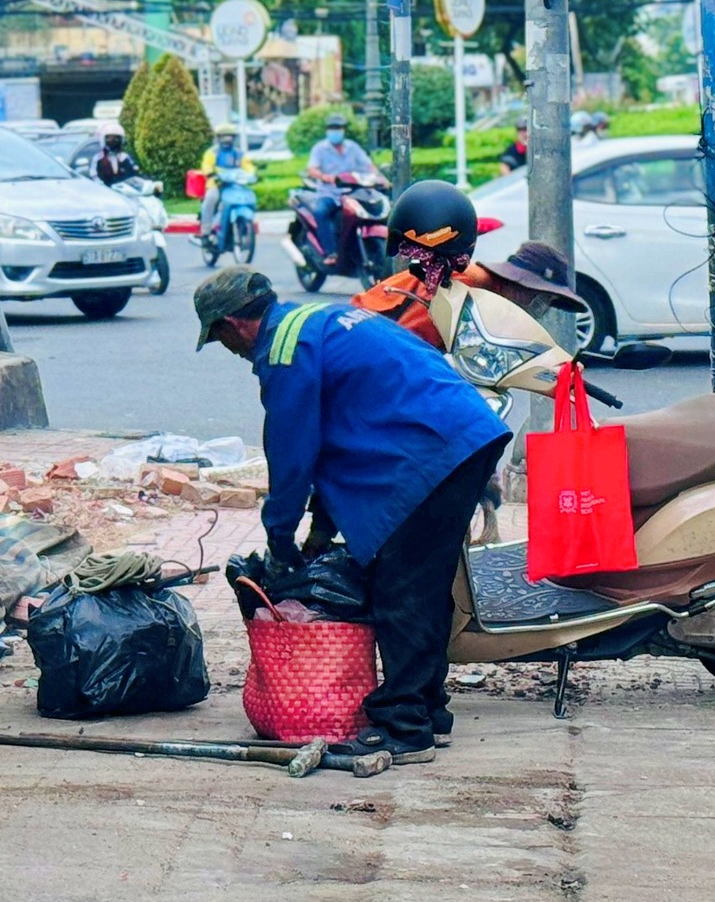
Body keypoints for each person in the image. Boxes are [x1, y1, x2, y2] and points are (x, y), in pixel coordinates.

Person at [192, 261, 511, 764]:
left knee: (399, 588)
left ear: (231, 325)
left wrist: (280, 541)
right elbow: (333, 442)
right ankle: (429, 709)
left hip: (433, 452)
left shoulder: (283, 349)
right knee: (425, 586)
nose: (231, 353)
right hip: (464, 438)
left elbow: (293, 454)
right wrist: (319, 531)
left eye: (221, 340)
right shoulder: (323, 319)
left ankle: (405, 727)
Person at [352, 239, 588, 350]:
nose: (538, 308)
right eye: (540, 299)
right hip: (357, 337)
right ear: (520, 284)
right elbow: (409, 343)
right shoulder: (465, 286)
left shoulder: (487, 299)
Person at [306, 113, 384, 266]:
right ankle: (330, 252)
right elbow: (312, 170)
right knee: (320, 212)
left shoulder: (353, 147)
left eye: (338, 128)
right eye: (332, 128)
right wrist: (326, 177)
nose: (335, 131)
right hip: (329, 193)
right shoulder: (320, 149)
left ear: (343, 130)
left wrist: (380, 177)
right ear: (327, 131)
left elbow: (368, 165)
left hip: (353, 194)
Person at [199, 123, 256, 238]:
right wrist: (210, 173)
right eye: (224, 136)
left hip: (234, 185)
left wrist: (252, 174)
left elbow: (248, 166)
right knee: (211, 199)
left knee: (247, 198)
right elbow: (206, 165)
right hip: (216, 184)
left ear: (234, 138)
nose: (227, 139)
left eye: (229, 136)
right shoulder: (212, 152)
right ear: (218, 138)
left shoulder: (239, 153)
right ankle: (206, 230)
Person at [89, 122, 139, 187]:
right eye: (109, 138)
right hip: (104, 191)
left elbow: (133, 175)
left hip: (124, 191)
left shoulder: (125, 157)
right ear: (103, 139)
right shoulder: (98, 158)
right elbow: (94, 176)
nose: (113, 141)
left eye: (116, 138)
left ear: (121, 140)